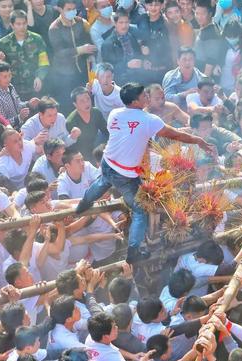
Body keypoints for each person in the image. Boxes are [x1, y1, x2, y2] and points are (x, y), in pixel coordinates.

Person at [75, 83, 214, 263]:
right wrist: (197, 140)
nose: (147, 97)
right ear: (134, 101)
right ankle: (133, 251)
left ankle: (84, 203)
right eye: (143, 96)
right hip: (125, 175)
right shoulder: (149, 120)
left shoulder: (114, 114)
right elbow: (176, 135)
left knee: (103, 182)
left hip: (107, 162)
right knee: (140, 210)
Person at [48, 0, 96, 114]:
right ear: (60, 9)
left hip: (82, 70)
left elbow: (88, 41)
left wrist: (89, 55)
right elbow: (59, 53)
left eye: (73, 9)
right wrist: (80, 50)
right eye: (68, 9)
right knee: (69, 105)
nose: (72, 12)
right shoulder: (54, 28)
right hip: (64, 74)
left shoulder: (81, 22)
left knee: (86, 100)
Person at [0, 9, 49, 100]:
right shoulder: (3, 43)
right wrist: (0, 60)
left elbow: (44, 62)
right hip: (14, 89)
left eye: (24, 23)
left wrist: (40, 77)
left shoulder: (37, 39)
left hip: (35, 86)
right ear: (12, 25)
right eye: (18, 24)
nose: (22, 26)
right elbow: (0, 66)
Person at [100, 10, 146, 86]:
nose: (124, 26)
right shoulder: (108, 44)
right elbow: (108, 69)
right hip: (121, 81)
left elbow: (138, 55)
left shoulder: (132, 36)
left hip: (138, 76)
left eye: (126, 22)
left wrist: (143, 61)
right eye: (121, 23)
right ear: (115, 23)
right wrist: (126, 65)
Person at [0, 60, 38, 128]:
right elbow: (2, 124)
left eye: (10, 75)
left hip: (22, 125)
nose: (9, 79)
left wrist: (28, 104)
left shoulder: (10, 86)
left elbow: (18, 104)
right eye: (5, 77)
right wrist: (19, 117)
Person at [66, 87, 108, 164]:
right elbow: (71, 148)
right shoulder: (71, 122)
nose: (87, 103)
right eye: (82, 101)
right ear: (75, 104)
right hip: (81, 155)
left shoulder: (96, 112)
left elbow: (106, 131)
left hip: (95, 146)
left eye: (88, 99)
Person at [162, 47, 206, 111]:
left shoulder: (202, 78)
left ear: (194, 61)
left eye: (190, 59)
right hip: (174, 113)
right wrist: (184, 94)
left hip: (196, 113)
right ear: (178, 61)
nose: (187, 62)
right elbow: (166, 98)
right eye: (184, 59)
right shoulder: (170, 77)